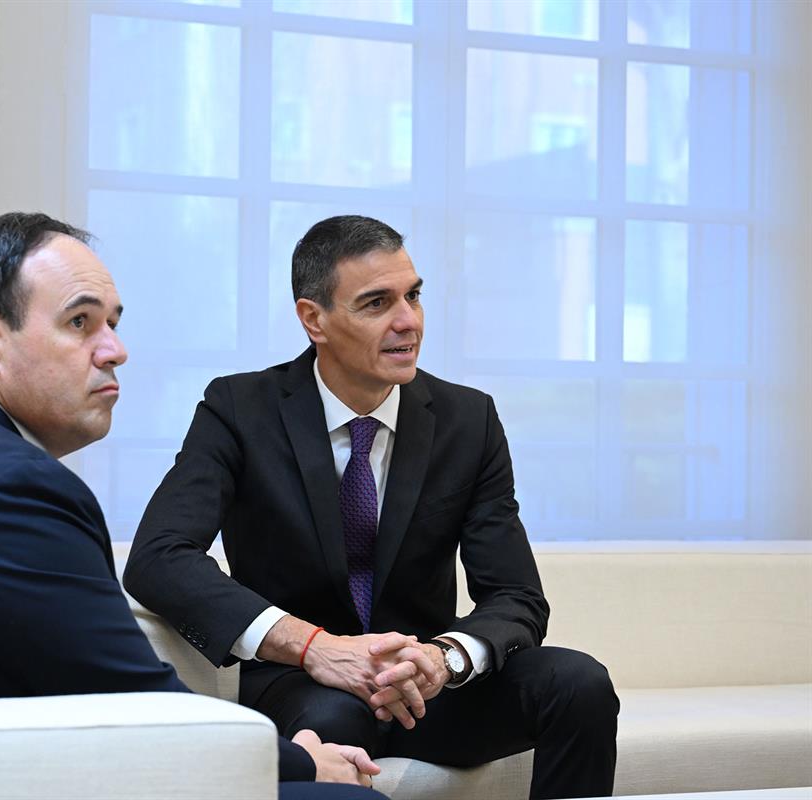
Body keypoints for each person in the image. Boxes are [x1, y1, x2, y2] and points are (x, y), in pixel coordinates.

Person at [0, 212, 384, 799]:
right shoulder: (9, 489)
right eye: (80, 322)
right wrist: (302, 762)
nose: (116, 351)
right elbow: (137, 707)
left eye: (113, 323)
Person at [124, 215, 619, 800]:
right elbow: (159, 556)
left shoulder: (468, 420)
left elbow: (516, 596)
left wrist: (445, 659)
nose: (407, 321)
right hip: (302, 680)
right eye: (376, 303)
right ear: (315, 320)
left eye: (413, 295)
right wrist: (313, 647)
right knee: (332, 723)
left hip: (424, 686)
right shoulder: (239, 408)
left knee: (580, 683)